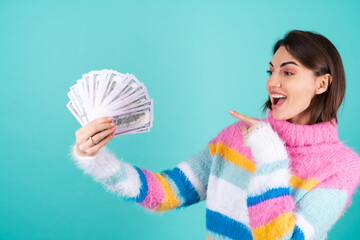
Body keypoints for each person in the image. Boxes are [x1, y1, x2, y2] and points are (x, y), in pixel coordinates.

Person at [70, 30, 360, 240]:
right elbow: (167, 192)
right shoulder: (236, 137)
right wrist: (95, 159)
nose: (272, 81)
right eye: (271, 71)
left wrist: (271, 159)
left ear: (322, 83)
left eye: (288, 73)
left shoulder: (342, 168)